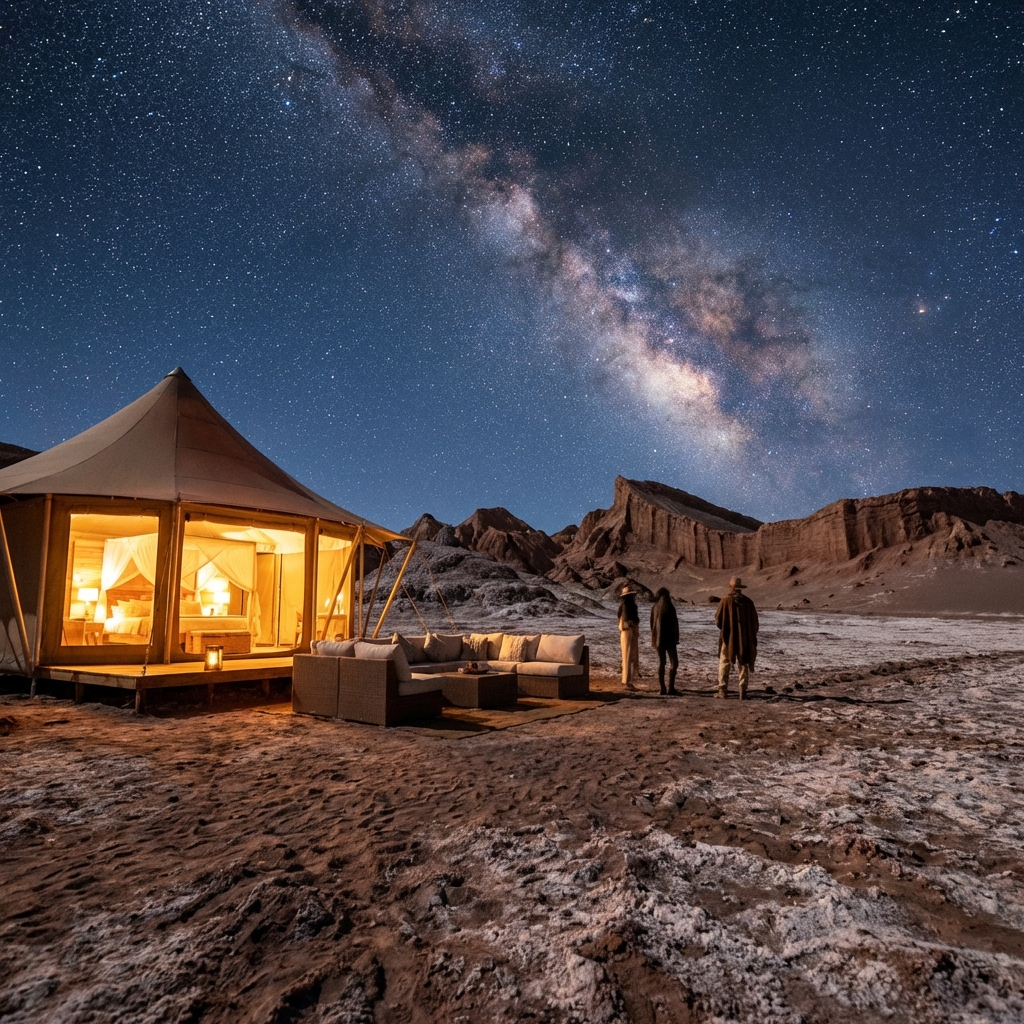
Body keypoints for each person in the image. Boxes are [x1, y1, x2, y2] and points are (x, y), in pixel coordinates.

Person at [714, 576, 758, 699]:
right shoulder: (748, 602)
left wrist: (727, 629)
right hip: (745, 639)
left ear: (731, 587)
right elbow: (755, 622)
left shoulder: (724, 601)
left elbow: (718, 620)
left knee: (724, 661)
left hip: (728, 638)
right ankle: (742, 691)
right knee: (743, 662)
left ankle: (722, 690)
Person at [650, 587, 679, 695]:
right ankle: (671, 688)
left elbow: (651, 625)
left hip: (658, 640)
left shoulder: (654, 608)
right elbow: (675, 624)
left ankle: (662, 688)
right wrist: (676, 638)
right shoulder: (670, 608)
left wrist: (654, 638)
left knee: (662, 662)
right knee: (674, 663)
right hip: (670, 640)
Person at [617, 584, 641, 690]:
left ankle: (626, 680)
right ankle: (626, 681)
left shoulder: (623, 606)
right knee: (627, 657)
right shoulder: (628, 606)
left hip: (626, 632)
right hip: (628, 632)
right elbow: (628, 621)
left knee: (627, 656)